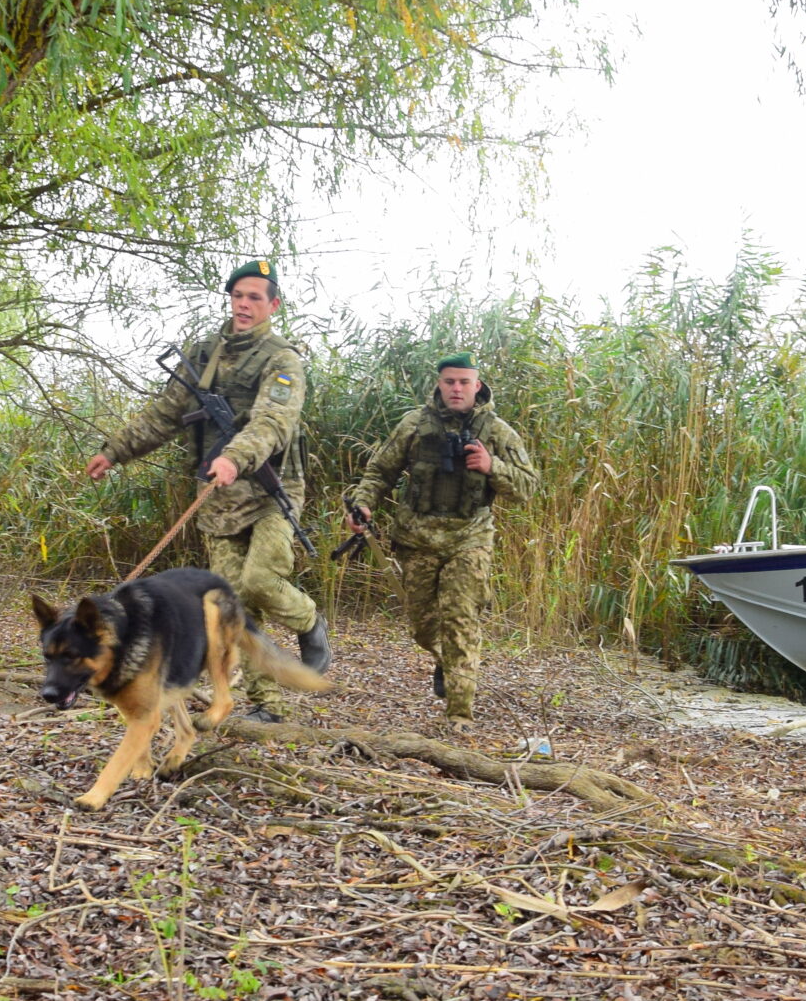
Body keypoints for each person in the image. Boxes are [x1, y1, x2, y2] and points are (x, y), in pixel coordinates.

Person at [84, 260, 329, 721]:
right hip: (218, 497)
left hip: (271, 492)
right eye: (238, 295)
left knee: (261, 580)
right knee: (232, 605)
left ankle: (311, 622)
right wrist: (114, 451)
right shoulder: (201, 355)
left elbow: (273, 422)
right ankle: (267, 705)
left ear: (272, 305)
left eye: (256, 297)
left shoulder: (282, 359)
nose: (245, 304)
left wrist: (235, 457)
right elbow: (162, 415)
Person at [344, 353, 538, 721]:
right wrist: (363, 505)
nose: (456, 388)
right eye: (449, 381)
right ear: (439, 383)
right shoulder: (414, 424)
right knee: (422, 627)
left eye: (464, 382)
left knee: (461, 622)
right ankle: (445, 660)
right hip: (417, 540)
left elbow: (527, 488)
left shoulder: (497, 432)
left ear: (477, 385)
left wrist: (491, 465)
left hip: (470, 539)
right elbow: (380, 471)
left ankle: (459, 714)